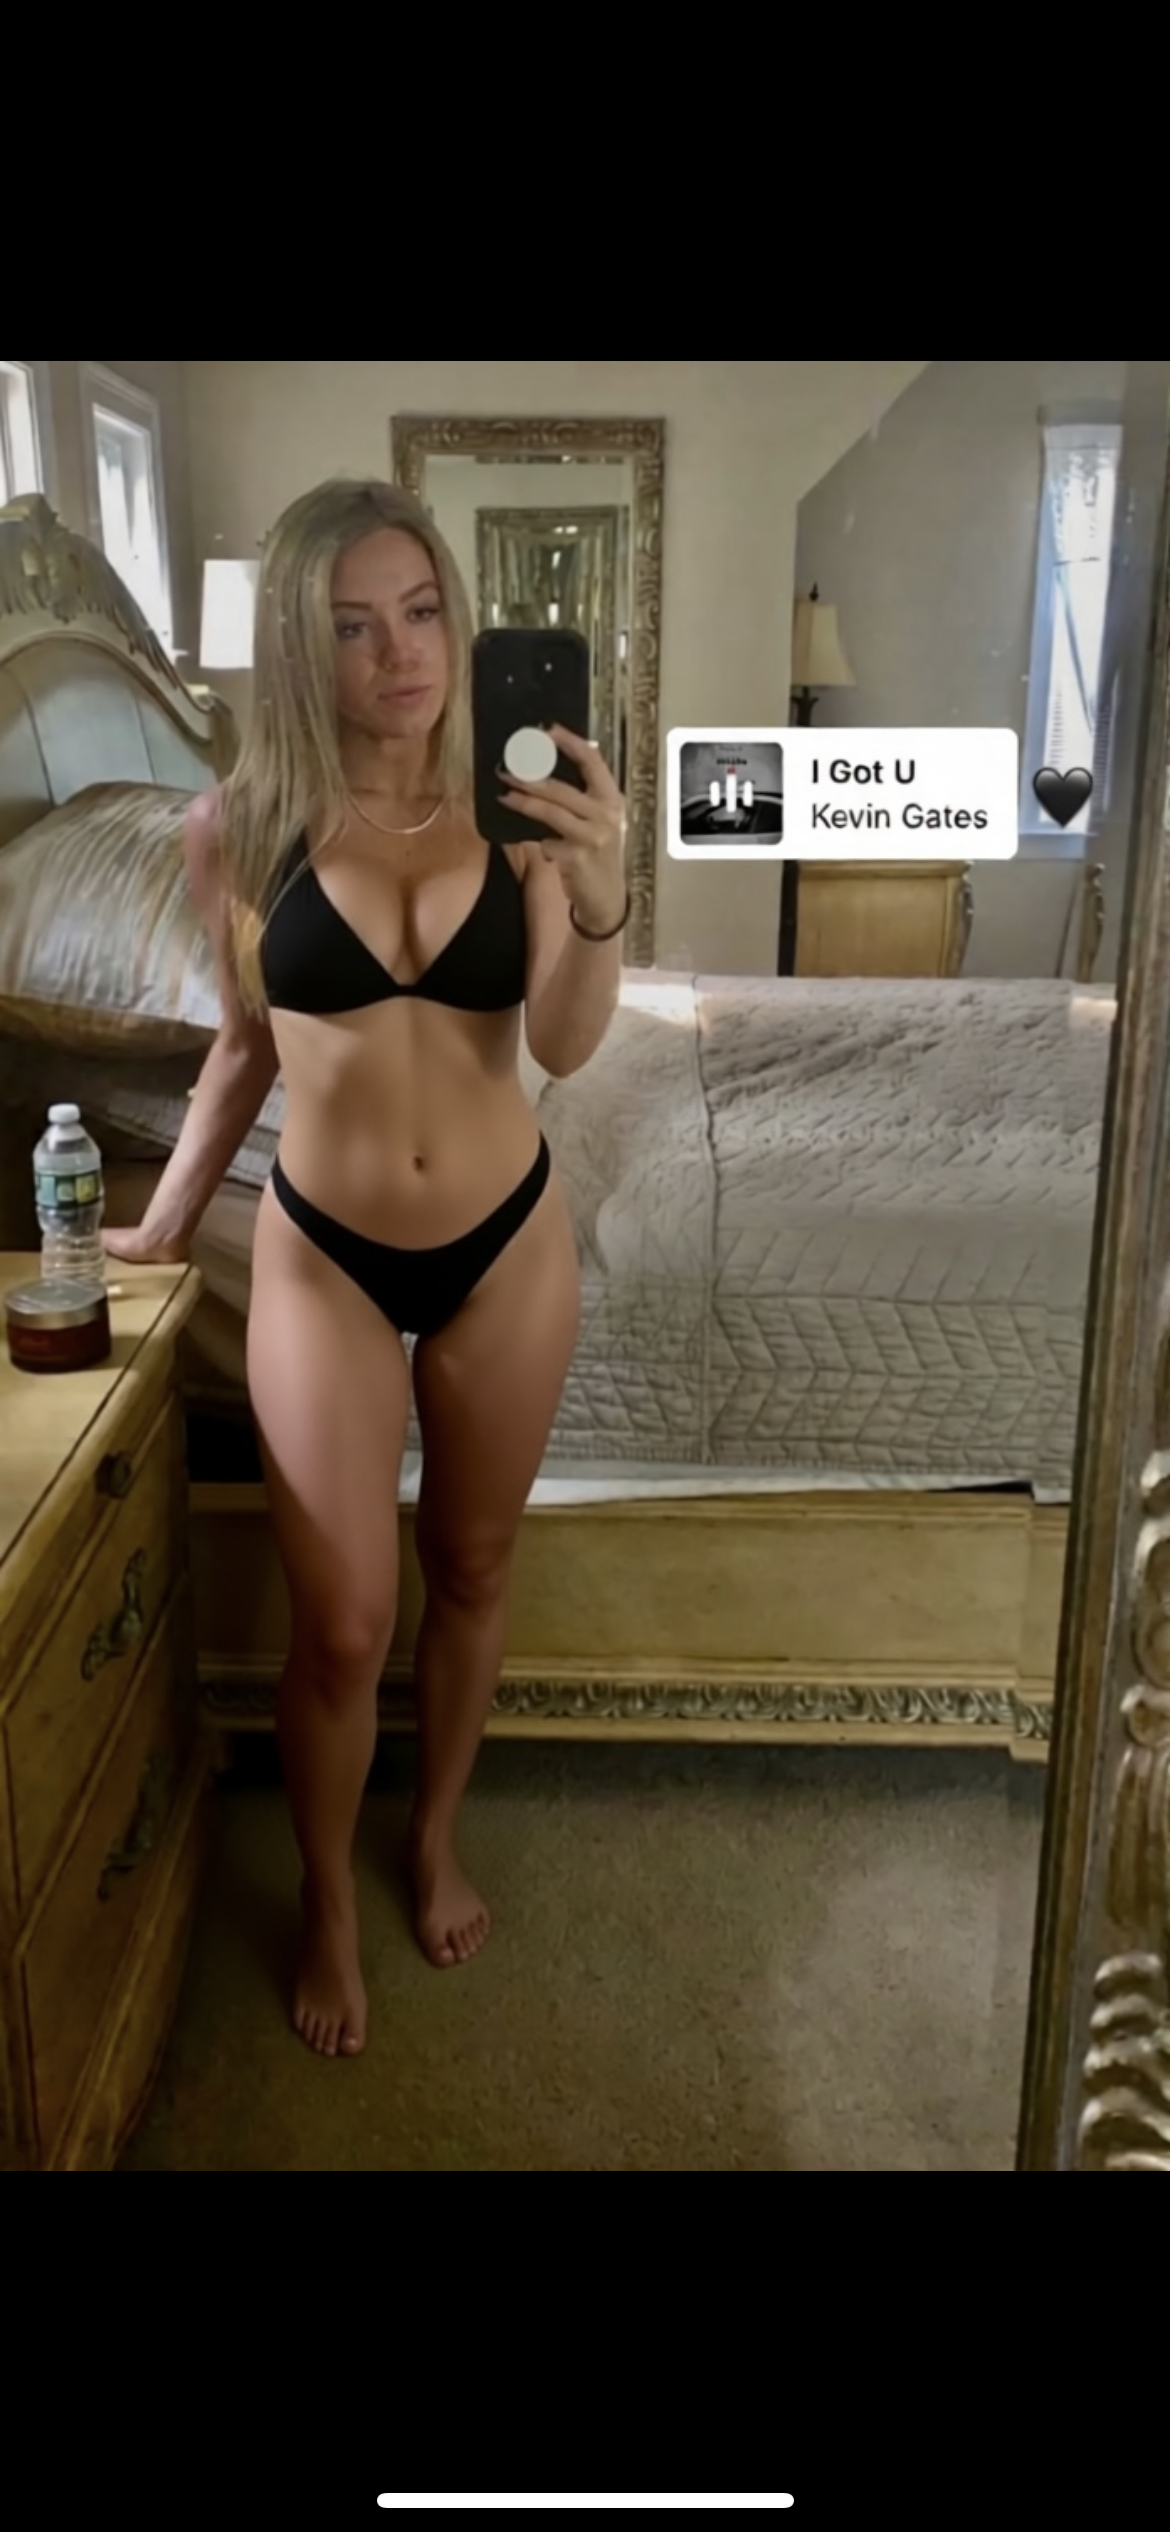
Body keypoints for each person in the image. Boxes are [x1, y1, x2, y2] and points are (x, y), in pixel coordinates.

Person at [104, 478, 629, 2061]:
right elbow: (244, 1044)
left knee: (470, 1568)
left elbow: (563, 1043)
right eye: (351, 625)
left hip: (504, 1242)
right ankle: (327, 1898)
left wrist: (602, 892)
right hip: (322, 1254)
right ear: (296, 643)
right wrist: (159, 1225)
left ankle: (433, 1834)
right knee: (340, 1623)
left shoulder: (516, 810)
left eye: (419, 613)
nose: (399, 654)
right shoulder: (235, 829)